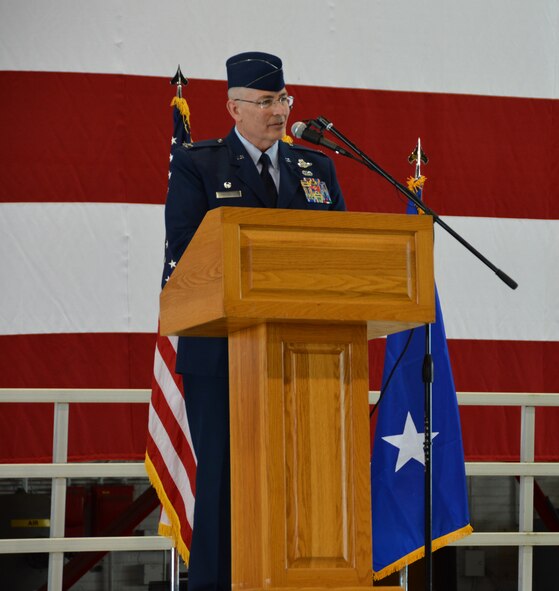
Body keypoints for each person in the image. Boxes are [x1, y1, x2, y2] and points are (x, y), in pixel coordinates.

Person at [164, 51, 346, 590]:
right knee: (224, 486)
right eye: (267, 101)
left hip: (305, 354)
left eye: (284, 99)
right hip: (222, 354)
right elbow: (187, 254)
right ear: (234, 106)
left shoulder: (317, 168)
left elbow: (337, 254)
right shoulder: (199, 165)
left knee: (304, 484)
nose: (280, 111)